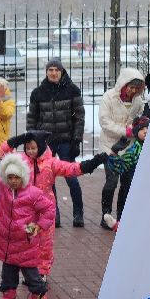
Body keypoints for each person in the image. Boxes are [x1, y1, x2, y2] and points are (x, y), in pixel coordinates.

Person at [0, 151, 55, 299]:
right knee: (8, 275)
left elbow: (49, 209)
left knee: (31, 275)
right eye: (10, 177)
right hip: (8, 244)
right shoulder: (3, 189)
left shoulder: (33, 193)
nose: (13, 181)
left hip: (25, 243)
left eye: (16, 177)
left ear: (23, 176)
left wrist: (35, 228)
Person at [27, 59, 86, 227]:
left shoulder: (72, 90)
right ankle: (54, 214)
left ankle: (78, 213)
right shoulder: (38, 93)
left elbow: (79, 117)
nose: (53, 73)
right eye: (50, 70)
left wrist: (77, 139)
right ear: (46, 72)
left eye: (56, 70)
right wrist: (31, 139)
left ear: (62, 72)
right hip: (45, 143)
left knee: (71, 177)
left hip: (66, 141)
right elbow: (32, 118)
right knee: (47, 180)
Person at [80, 115, 149, 230]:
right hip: (133, 187)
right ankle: (120, 222)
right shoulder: (135, 150)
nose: (146, 131)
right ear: (136, 133)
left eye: (148, 128)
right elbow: (119, 166)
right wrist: (114, 152)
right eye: (142, 129)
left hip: (147, 189)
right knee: (126, 197)